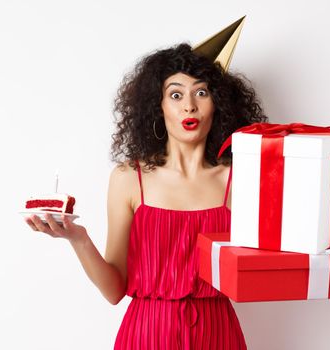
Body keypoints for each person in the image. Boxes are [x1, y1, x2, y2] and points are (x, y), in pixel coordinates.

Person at [25, 42, 266, 349]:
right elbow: (114, 291)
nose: (189, 106)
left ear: (218, 103)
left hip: (217, 333)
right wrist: (79, 239)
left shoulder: (240, 179)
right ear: (158, 106)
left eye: (201, 92)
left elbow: (263, 269)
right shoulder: (129, 179)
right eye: (176, 95)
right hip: (148, 334)